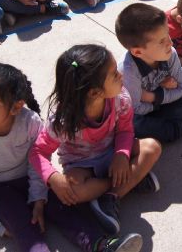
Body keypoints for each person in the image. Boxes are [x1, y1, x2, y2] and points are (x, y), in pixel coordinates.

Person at [0, 64, 141, 252]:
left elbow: (37, 160)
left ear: (16, 107)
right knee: (23, 223)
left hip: (32, 178)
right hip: (0, 189)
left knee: (66, 209)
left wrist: (38, 198)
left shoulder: (30, 122)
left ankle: (102, 245)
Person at [29, 44, 161, 237]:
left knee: (152, 147)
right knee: (73, 193)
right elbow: (37, 152)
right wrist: (53, 178)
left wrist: (121, 155)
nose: (121, 76)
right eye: (114, 74)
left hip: (112, 151)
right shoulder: (63, 121)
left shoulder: (120, 98)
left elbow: (125, 130)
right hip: (83, 166)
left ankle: (110, 197)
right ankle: (126, 182)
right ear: (94, 92)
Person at [115, 3, 182, 143]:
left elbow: (181, 88)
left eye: (167, 35)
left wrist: (153, 96)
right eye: (162, 41)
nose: (170, 43)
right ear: (138, 52)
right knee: (134, 123)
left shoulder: (170, 52)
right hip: (144, 110)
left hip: (157, 98)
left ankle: (162, 125)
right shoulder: (127, 70)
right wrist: (158, 100)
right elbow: (136, 108)